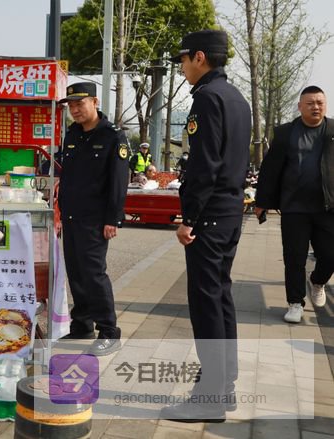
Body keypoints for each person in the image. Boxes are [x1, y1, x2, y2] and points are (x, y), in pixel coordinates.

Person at [161, 29, 252, 423]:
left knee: (205, 304)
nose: (182, 67)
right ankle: (223, 385)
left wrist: (189, 219)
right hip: (230, 211)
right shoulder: (236, 98)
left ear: (199, 57)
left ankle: (210, 397)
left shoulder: (207, 98)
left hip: (210, 216)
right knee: (220, 299)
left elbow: (204, 165)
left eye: (183, 59)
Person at [57, 82, 130, 356]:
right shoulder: (72, 134)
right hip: (72, 215)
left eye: (80, 104)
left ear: (95, 102)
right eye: (71, 106)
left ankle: (109, 331)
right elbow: (67, 176)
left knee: (94, 274)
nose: (75, 110)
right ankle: (82, 324)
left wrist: (113, 218)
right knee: (76, 271)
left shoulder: (113, 136)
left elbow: (119, 181)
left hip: (96, 219)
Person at [255, 86, 332, 323]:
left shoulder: (332, 130)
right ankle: (295, 303)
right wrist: (262, 201)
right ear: (300, 106)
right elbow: (270, 169)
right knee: (294, 257)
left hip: (327, 208)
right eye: (310, 103)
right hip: (294, 207)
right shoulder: (286, 133)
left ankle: (317, 281)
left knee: (330, 254)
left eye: (320, 102)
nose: (315, 107)